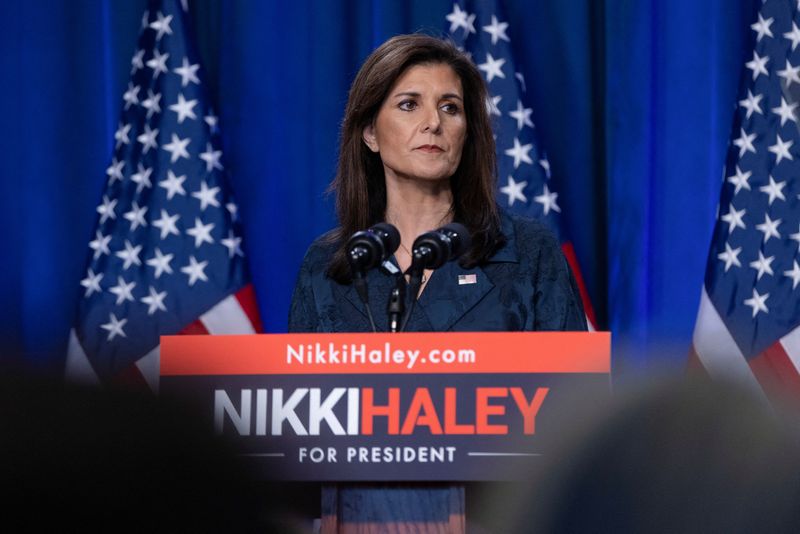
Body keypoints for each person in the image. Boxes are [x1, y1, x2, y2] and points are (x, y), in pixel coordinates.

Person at [289, 33, 585, 334]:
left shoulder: (528, 250)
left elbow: (579, 380)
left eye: (450, 108)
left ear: (467, 133)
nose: (433, 122)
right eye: (408, 105)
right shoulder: (327, 263)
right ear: (370, 133)